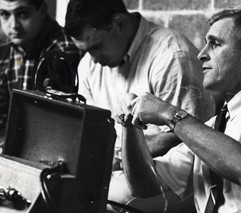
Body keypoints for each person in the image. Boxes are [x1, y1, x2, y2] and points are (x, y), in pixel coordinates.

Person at [111, 9, 241, 213]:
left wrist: (169, 113)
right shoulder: (215, 126)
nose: (201, 54)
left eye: (215, 44)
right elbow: (144, 187)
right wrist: (129, 125)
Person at [64, 0, 216, 163]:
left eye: (97, 46)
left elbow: (189, 136)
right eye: (86, 51)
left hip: (166, 174)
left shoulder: (171, 56)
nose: (93, 60)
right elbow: (90, 130)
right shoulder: (88, 66)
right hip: (115, 168)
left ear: (119, 23)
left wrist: (119, 157)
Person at [0, 0, 82, 152]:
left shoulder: (63, 51)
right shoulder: (7, 50)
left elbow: (54, 130)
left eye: (22, 14)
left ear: (43, 10)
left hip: (49, 152)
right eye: (5, 14)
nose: (13, 26)